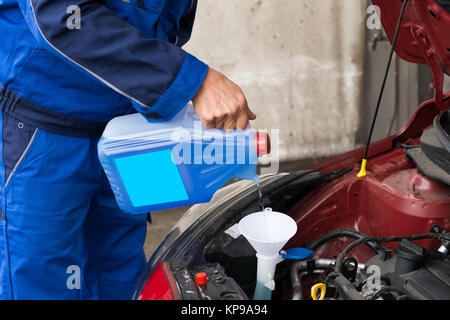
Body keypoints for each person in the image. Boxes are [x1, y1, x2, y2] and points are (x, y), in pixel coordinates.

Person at [0, 0, 256, 299]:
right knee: (43, 280)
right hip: (45, 129)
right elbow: (59, 14)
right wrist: (189, 80)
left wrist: (161, 82)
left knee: (122, 276)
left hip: (129, 126)